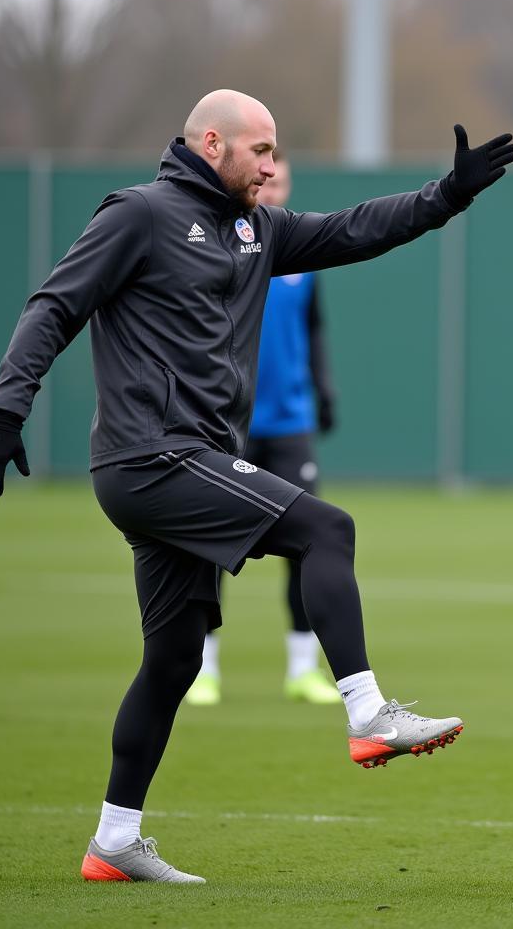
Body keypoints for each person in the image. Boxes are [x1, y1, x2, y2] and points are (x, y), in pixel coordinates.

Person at [0, 90, 513, 884]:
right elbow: (55, 306)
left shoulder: (257, 228)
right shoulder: (139, 215)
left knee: (175, 660)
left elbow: (355, 230)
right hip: (150, 457)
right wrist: (4, 415)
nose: (271, 166)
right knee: (328, 530)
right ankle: (368, 712)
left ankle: (113, 841)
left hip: (179, 462)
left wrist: (449, 193)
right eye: (261, 151)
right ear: (212, 142)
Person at [185, 150, 341, 707]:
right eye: (266, 178)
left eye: (282, 182)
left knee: (310, 544)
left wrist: (323, 388)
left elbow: (315, 329)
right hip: (230, 420)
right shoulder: (219, 246)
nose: (272, 187)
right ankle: (202, 668)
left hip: (290, 420)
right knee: (207, 544)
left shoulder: (299, 256)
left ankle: (303, 669)